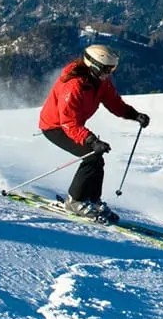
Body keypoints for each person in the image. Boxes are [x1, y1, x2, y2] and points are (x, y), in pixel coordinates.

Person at [38, 45, 150, 223]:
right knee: (91, 156)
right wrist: (91, 141)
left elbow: (113, 102)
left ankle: (92, 200)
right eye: (107, 69)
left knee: (97, 158)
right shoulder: (73, 86)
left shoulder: (99, 81)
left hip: (72, 126)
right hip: (55, 127)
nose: (110, 73)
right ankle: (75, 201)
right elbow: (68, 122)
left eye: (112, 69)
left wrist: (134, 115)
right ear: (95, 66)